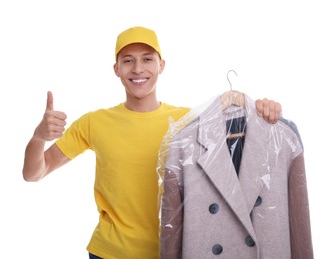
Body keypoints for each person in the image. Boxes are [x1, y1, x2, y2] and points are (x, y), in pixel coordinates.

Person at [22, 26, 282, 259]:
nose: (137, 69)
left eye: (147, 59)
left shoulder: (189, 121)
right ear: (116, 69)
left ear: (161, 65)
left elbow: (239, 158)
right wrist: (38, 137)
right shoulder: (94, 123)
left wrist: (262, 113)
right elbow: (34, 173)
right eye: (128, 61)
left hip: (176, 251)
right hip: (108, 254)